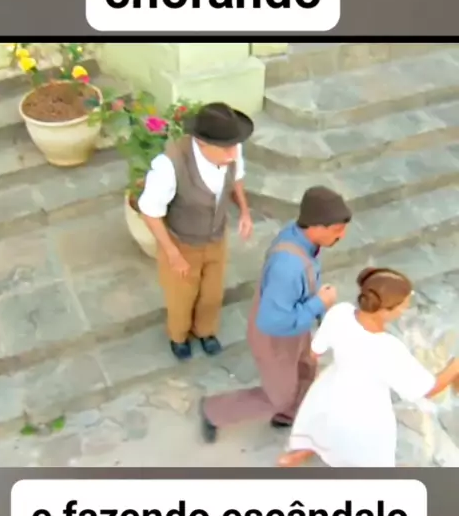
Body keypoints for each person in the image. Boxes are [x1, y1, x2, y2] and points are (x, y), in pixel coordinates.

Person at [199, 186, 352, 441]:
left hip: (297, 324)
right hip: (276, 337)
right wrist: (319, 303)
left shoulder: (301, 237)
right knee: (278, 397)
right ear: (316, 227)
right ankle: (214, 411)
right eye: (337, 230)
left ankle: (290, 414)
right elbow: (274, 322)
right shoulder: (288, 267)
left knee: (306, 368)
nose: (342, 235)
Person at [277, 267, 459, 469]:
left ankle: (306, 450)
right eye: (403, 305)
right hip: (367, 405)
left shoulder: (340, 312)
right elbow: (426, 389)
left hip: (332, 386)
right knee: (369, 448)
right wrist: (454, 367)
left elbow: (315, 352)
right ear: (385, 310)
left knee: (321, 421)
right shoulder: (388, 348)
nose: (405, 309)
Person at [138, 102, 254, 361]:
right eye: (225, 149)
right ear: (202, 143)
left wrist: (245, 212)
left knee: (212, 292)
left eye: (234, 146)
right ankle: (178, 336)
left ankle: (205, 331)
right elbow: (150, 212)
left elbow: (236, 178)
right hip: (183, 242)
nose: (233, 153)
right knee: (181, 296)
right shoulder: (170, 165)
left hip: (215, 237)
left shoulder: (231, 148)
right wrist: (172, 254)